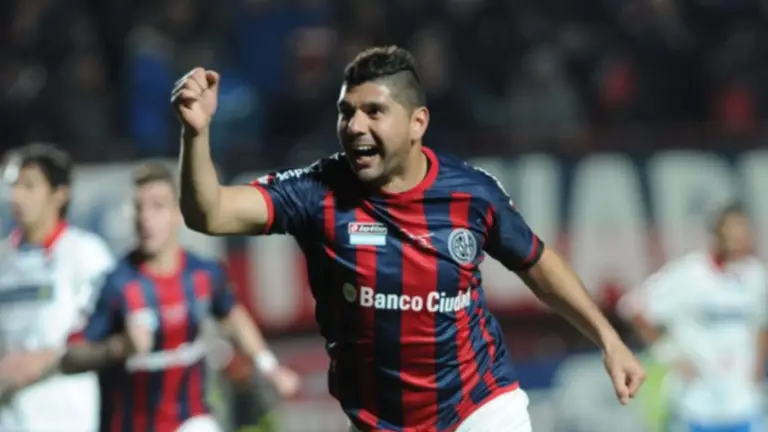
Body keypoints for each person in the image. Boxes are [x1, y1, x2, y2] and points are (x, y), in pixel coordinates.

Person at [173, 45, 646, 431]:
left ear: (418, 122)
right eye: (346, 112)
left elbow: (537, 263)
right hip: (379, 423)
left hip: (479, 409)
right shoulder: (317, 192)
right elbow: (209, 213)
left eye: (374, 112)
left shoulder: (470, 194)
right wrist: (196, 135)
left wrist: (607, 338)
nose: (355, 126)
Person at [61, 163, 299, 432]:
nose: (146, 218)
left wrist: (269, 367)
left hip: (189, 420)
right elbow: (70, 358)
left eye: (157, 206)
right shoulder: (114, 284)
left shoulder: (203, 274)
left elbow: (232, 316)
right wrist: (119, 347)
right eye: (139, 207)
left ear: (178, 213)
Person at [619, 203, 767, 432]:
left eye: (743, 230)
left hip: (745, 402)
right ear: (717, 234)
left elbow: (760, 321)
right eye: (732, 230)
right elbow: (632, 307)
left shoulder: (757, 275)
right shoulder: (688, 274)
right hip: (696, 402)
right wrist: (668, 353)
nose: (739, 237)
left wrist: (757, 365)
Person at [0, 144, 114, 431]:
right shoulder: (3, 258)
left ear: (59, 194)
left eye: (29, 186)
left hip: (65, 416)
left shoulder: (85, 253)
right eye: (13, 186)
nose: (17, 196)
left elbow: (102, 327)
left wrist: (41, 361)